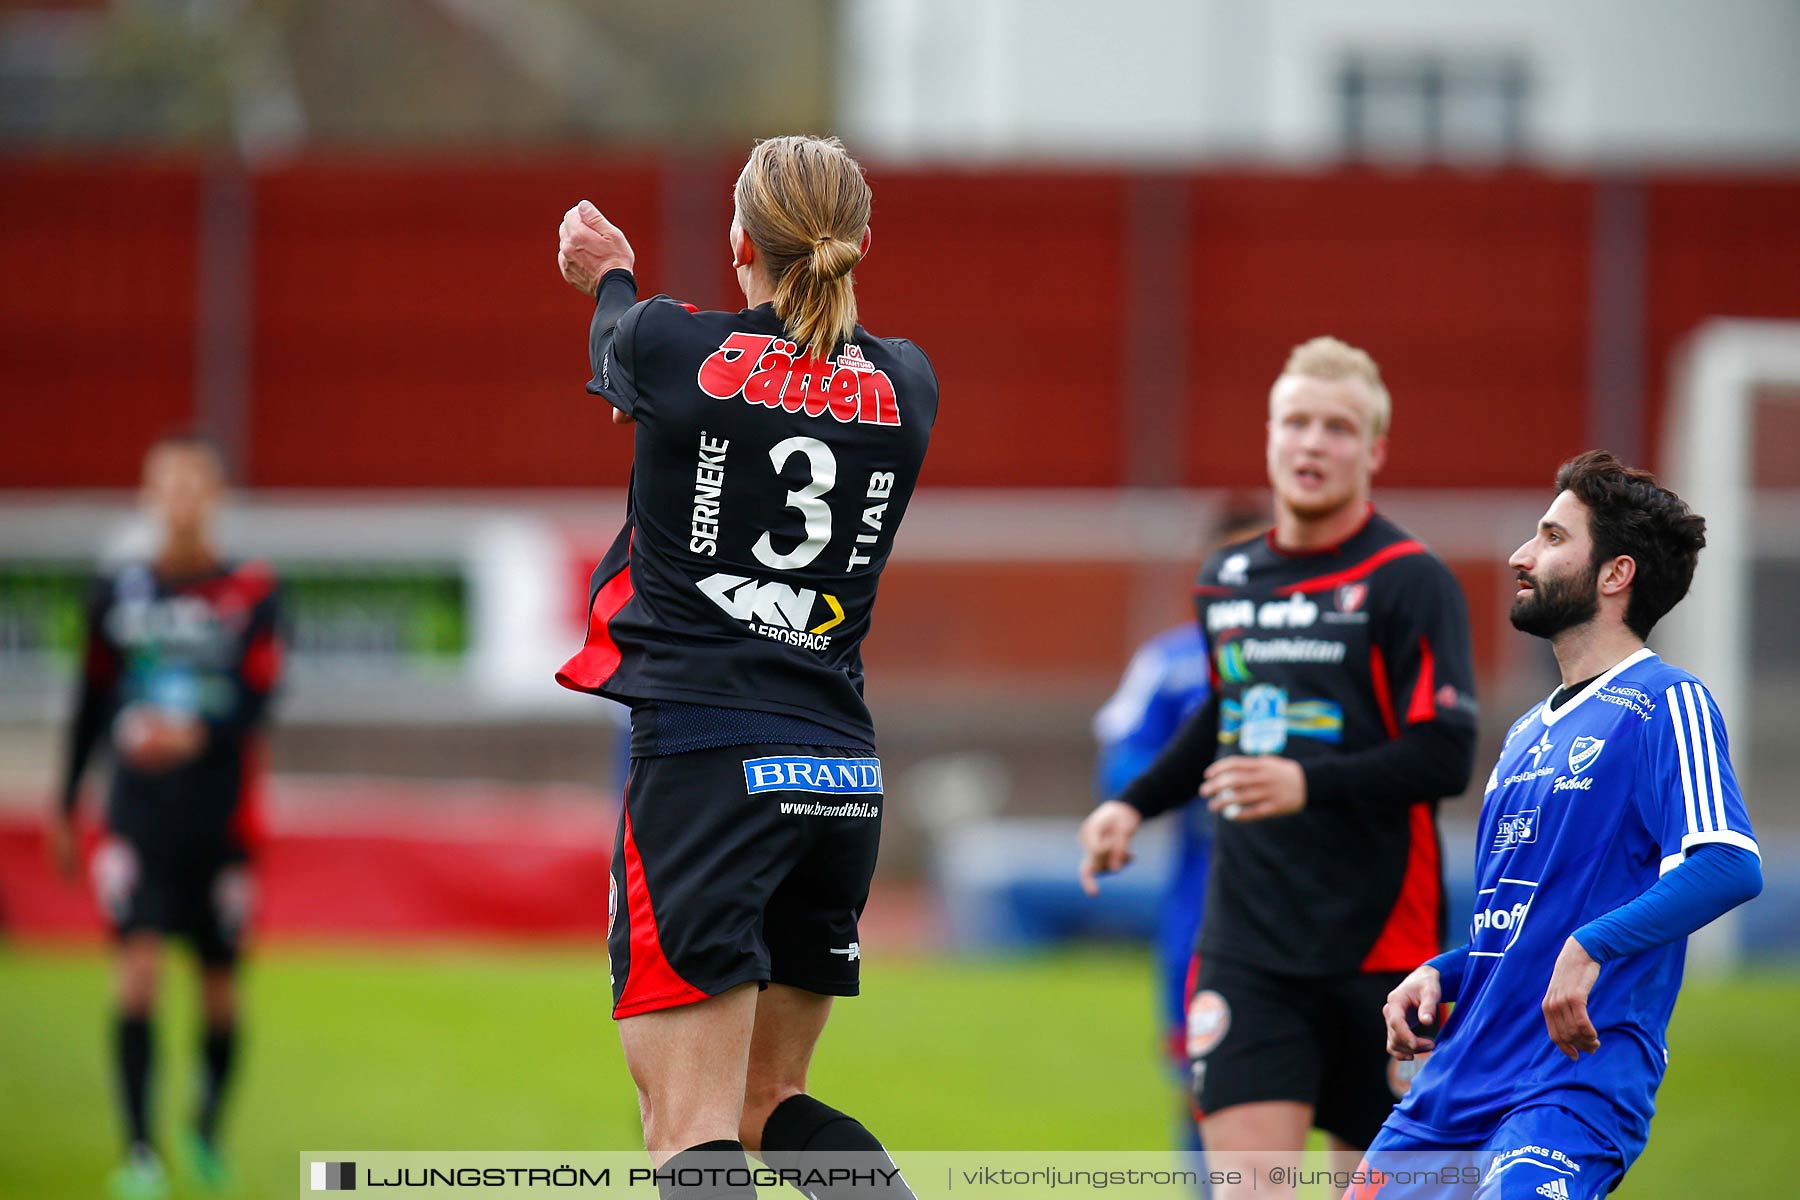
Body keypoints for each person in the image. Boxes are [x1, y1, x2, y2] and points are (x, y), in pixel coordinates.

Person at [554, 134, 935, 1200]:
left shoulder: (677, 348)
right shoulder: (910, 387)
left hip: (708, 768)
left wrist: (611, 273)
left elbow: (621, 341)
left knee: (688, 1132)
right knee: (772, 1107)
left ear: (738, 242)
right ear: (859, 244)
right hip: (838, 775)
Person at [1078, 337, 1478, 1197]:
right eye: (1296, 422)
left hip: (1384, 955)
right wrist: (1133, 807)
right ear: (1269, 437)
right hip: (1247, 954)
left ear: (1372, 451)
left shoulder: (1411, 582)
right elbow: (1224, 711)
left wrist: (1306, 782)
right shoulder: (1229, 578)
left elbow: (1445, 754)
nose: (1312, 443)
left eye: (1338, 428)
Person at [1349, 451, 1763, 1199]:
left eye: (1551, 537)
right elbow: (1519, 924)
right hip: (1453, 1087)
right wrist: (1444, 973)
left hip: (1566, 1089)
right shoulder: (1523, 735)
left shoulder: (1666, 702)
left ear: (1615, 574)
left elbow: (1729, 862)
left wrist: (1591, 944)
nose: (1521, 555)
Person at [50, 432, 282, 1200]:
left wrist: (195, 733)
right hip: (136, 816)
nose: (180, 501)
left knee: (219, 986)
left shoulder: (251, 591)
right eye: (166, 486)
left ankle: (206, 1129)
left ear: (213, 497)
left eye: (194, 486)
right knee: (138, 970)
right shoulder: (117, 593)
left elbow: (260, 700)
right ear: (149, 498)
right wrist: (64, 800)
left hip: (221, 818)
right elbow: (87, 703)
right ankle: (141, 1152)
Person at [1090, 502, 1267, 1160]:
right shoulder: (1171, 663)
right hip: (1204, 906)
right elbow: (1121, 765)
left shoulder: (1330, 652)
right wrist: (1205, 773)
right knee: (1203, 1088)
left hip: (1319, 902)